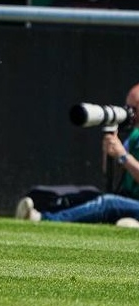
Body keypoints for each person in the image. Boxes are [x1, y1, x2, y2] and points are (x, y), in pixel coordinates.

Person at [16, 83, 139, 225]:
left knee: (108, 202)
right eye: (128, 107)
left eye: (134, 108)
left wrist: (123, 155)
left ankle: (44, 219)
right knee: (87, 195)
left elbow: (124, 160)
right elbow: (114, 174)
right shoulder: (135, 136)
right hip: (129, 199)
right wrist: (112, 151)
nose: (130, 112)